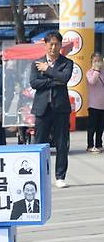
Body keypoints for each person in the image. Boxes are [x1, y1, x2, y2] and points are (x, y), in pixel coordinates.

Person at [30, 31, 73, 188]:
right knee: (40, 143)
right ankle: (39, 174)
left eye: (56, 44)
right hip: (42, 108)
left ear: (61, 45)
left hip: (60, 108)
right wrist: (54, 81)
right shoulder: (36, 63)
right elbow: (34, 83)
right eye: (51, 44)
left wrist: (47, 70)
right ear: (45, 45)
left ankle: (60, 176)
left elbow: (65, 78)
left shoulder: (67, 63)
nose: (53, 47)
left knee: (62, 143)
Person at [86, 52, 104, 153]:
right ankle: (90, 145)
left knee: (100, 127)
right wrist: (96, 70)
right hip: (93, 105)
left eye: (99, 61)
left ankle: (99, 144)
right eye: (95, 61)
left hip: (102, 105)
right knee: (92, 127)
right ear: (91, 62)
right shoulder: (89, 72)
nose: (98, 63)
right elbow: (92, 81)